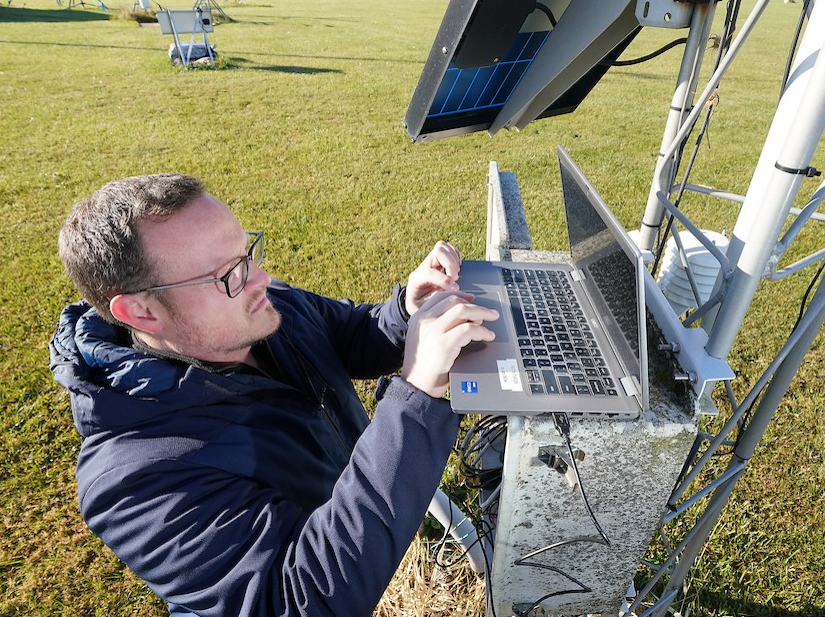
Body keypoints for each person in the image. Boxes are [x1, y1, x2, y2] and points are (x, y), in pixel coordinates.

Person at [49, 173, 498, 616]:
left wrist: (405, 311)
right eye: (228, 274)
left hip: (348, 509)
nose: (261, 278)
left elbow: (350, 335)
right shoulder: (136, 480)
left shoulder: (259, 309)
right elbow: (303, 600)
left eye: (247, 253)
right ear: (142, 312)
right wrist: (417, 394)